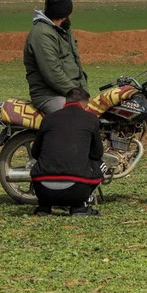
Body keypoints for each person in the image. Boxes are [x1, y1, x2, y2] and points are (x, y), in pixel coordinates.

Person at [30, 88, 104, 216]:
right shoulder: (91, 118)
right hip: (76, 190)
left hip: (43, 189)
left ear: (66, 101)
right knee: (102, 165)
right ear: (85, 103)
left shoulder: (48, 118)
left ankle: (44, 207)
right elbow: (97, 154)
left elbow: (35, 153)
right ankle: (80, 206)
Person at [24, 0, 88, 115]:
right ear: (64, 15)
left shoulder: (63, 30)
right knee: (74, 120)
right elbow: (52, 72)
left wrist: (83, 91)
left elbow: (75, 62)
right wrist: (77, 94)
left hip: (69, 92)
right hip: (49, 95)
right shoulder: (42, 35)